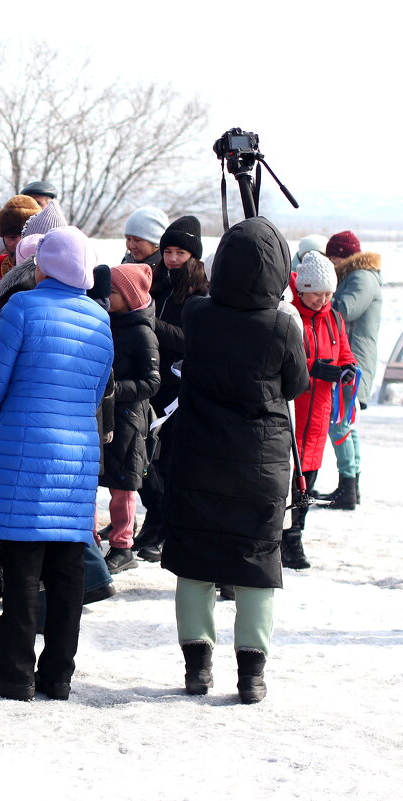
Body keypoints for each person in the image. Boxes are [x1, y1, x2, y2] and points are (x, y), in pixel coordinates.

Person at [161, 217, 309, 704]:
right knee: (255, 563)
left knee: (195, 560)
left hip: (199, 453)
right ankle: (251, 675)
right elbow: (295, 386)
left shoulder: (200, 314)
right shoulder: (283, 326)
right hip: (260, 462)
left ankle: (197, 668)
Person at [0, 226, 112, 702]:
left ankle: (14, 671)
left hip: (24, 446)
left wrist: (0, 425)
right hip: (78, 450)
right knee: (67, 566)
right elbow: (95, 392)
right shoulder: (99, 318)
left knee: (23, 562)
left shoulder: (22, 307)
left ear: (45, 265)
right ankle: (58, 674)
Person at [132, 216, 209, 562]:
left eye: (180, 252)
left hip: (179, 390)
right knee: (143, 459)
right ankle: (156, 517)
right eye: (168, 251)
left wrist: (152, 323)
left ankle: (163, 524)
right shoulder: (155, 282)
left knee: (168, 461)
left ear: (193, 255)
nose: (173, 258)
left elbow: (192, 341)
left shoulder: (200, 292)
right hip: (150, 381)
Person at [283, 251, 356, 568]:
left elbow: (345, 353)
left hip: (320, 412)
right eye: (317, 292)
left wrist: (349, 368)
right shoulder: (289, 317)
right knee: (288, 479)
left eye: (328, 293)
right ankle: (282, 537)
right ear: (303, 289)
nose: (322, 299)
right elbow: (287, 360)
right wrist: (315, 368)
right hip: (295, 409)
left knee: (308, 480)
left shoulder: (334, 319)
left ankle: (295, 536)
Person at [100, 263, 160, 574]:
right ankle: (102, 539)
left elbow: (152, 382)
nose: (106, 297)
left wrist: (111, 389)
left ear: (129, 295)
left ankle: (123, 545)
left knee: (123, 485)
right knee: (104, 479)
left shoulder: (141, 332)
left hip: (128, 419)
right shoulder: (107, 321)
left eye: (112, 292)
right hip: (105, 416)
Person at [317, 231, 381, 509]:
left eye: (332, 257)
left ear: (343, 256)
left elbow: (344, 309)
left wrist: (316, 296)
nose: (330, 263)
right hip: (351, 358)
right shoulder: (357, 276)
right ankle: (349, 485)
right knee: (345, 422)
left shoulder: (361, 277)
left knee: (339, 422)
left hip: (352, 360)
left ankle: (348, 487)